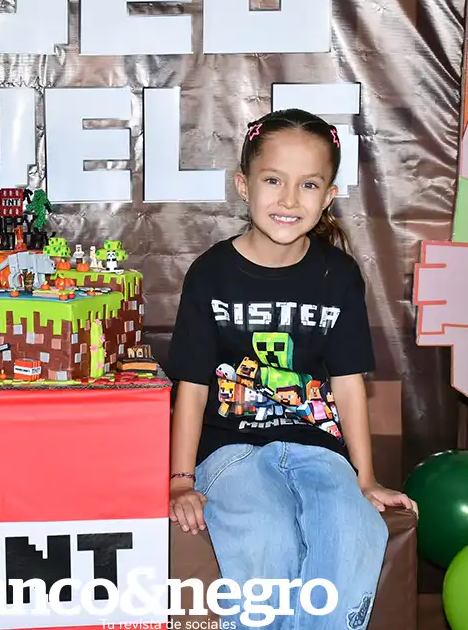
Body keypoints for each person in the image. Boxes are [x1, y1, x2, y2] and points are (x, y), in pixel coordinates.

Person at [165, 108, 418, 630]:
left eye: (308, 185)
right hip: (230, 451)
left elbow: (349, 384)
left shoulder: (338, 275)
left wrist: (365, 478)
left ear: (328, 197)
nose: (288, 199)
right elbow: (192, 386)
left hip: (318, 449)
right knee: (266, 537)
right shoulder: (211, 273)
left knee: (354, 533)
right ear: (243, 184)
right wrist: (180, 481)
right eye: (273, 180)